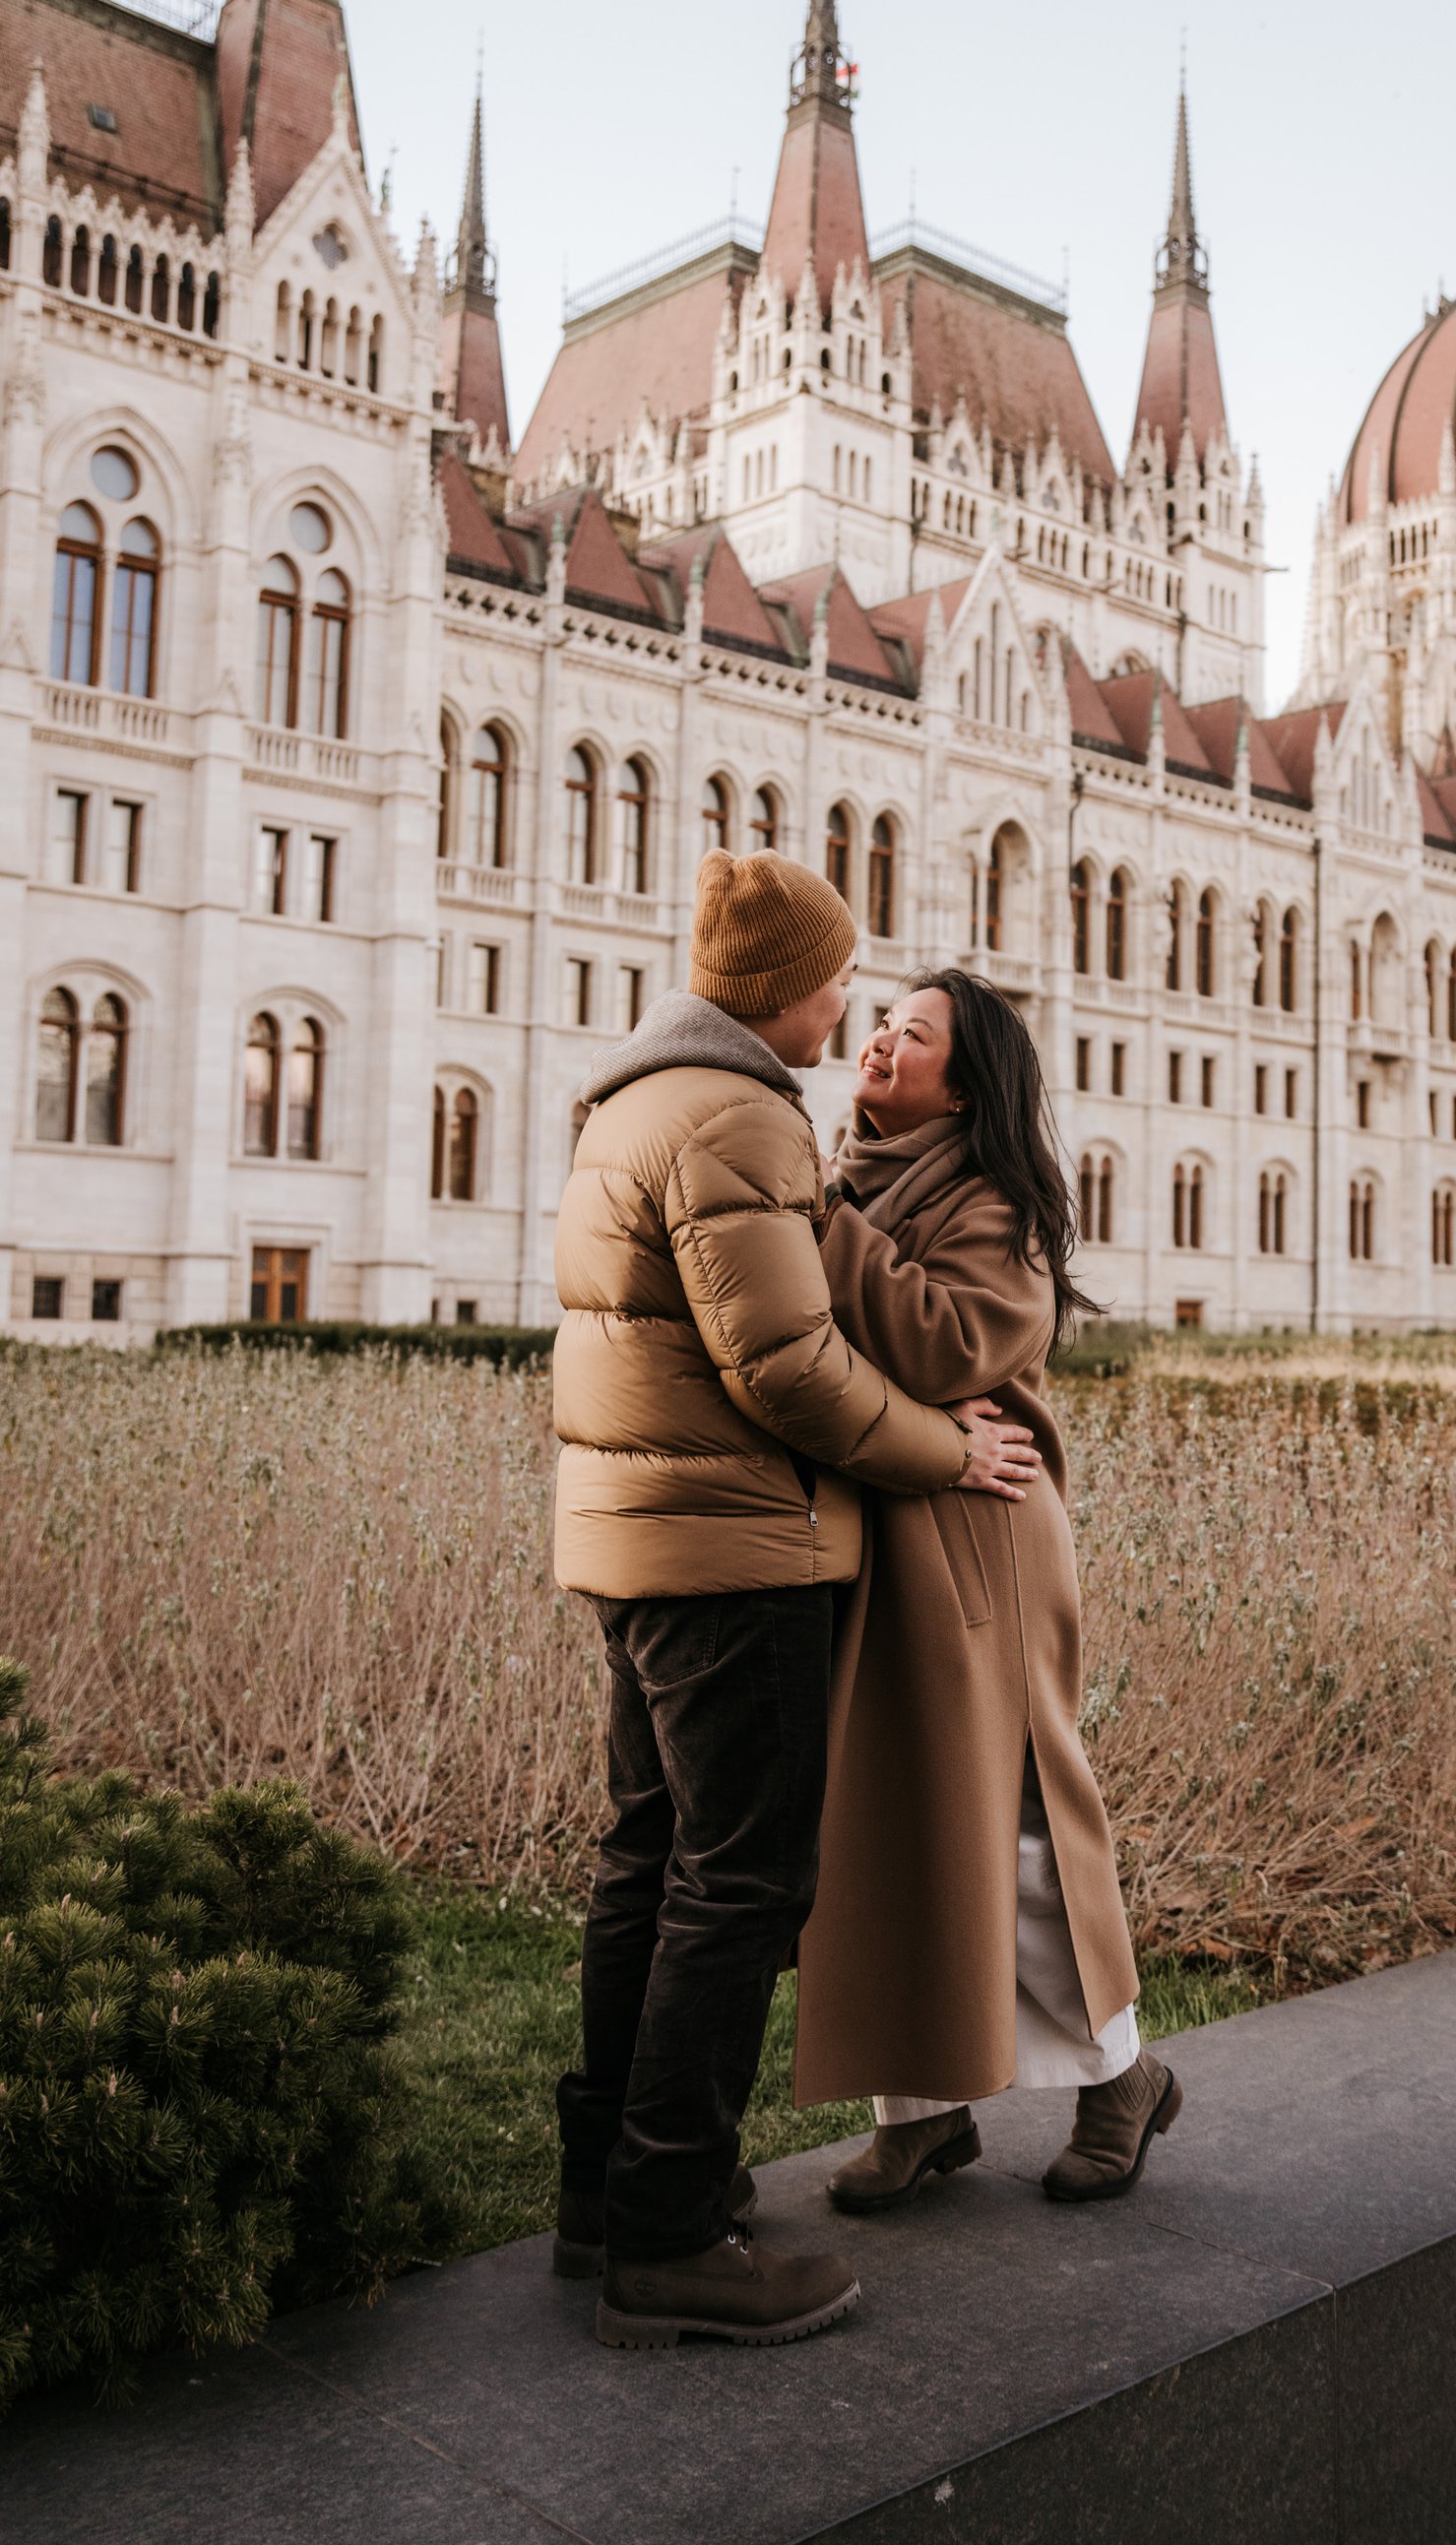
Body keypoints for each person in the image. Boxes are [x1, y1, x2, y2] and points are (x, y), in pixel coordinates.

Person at [551, 856, 1041, 2351]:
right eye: (836, 979)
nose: (848, 1006)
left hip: (643, 1539)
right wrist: (949, 1448)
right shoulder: (741, 1114)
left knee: (650, 1861)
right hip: (737, 1551)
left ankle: (608, 2193)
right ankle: (670, 2233)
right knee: (740, 1883)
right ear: (780, 987)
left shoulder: (633, 1098)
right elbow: (789, 1370)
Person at [793, 970, 1182, 2207]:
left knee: (1017, 1830)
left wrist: (820, 1226)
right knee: (886, 1824)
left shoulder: (990, 1204)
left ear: (962, 1089)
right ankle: (921, 2109)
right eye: (882, 1022)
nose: (880, 1041)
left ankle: (1120, 2075)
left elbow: (945, 1342)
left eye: (913, 1034)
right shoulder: (847, 1176)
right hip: (884, 1528)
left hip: (979, 1546)